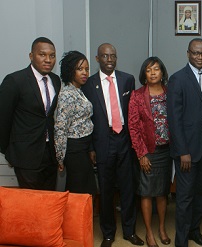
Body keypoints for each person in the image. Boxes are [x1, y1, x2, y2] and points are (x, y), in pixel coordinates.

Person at [81, 43, 144, 247]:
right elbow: (86, 119)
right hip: (103, 140)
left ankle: (129, 232)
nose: (110, 60)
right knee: (106, 190)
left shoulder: (127, 80)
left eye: (113, 56)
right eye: (105, 56)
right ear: (97, 59)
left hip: (124, 140)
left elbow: (133, 113)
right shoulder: (89, 84)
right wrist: (91, 147)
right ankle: (108, 234)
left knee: (128, 189)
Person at [167, 38, 202, 247]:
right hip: (187, 149)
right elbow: (174, 119)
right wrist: (182, 151)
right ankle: (181, 241)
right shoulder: (178, 79)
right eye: (196, 53)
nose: (200, 57)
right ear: (188, 53)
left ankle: (194, 230)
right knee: (185, 197)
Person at [0, 37, 61, 190]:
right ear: (31, 56)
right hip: (25, 155)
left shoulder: (55, 80)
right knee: (32, 205)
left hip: (50, 155)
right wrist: (9, 151)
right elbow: (3, 119)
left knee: (50, 202)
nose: (48, 60)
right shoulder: (15, 80)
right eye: (42, 55)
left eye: (52, 55)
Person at [128, 57, 172, 247]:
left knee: (162, 193)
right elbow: (133, 126)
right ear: (144, 74)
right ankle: (149, 233)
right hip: (148, 151)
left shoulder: (170, 93)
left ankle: (161, 228)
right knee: (146, 193)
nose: (153, 73)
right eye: (148, 70)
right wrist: (141, 154)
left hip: (166, 151)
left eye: (156, 69)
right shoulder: (137, 95)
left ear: (162, 72)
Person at [54, 51, 97, 195]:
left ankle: (81, 217)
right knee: (79, 191)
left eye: (86, 69)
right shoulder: (67, 94)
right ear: (70, 70)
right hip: (74, 149)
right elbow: (60, 128)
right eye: (80, 69)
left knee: (85, 190)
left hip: (83, 147)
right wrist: (60, 158)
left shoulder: (79, 90)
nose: (84, 73)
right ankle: (76, 218)